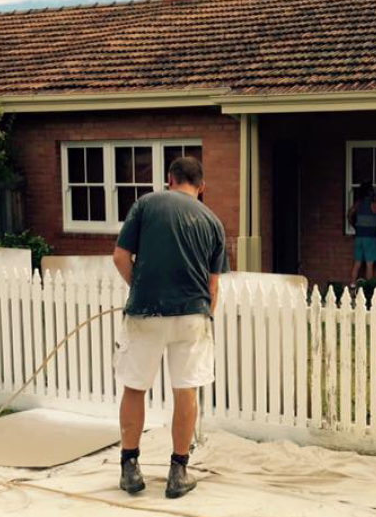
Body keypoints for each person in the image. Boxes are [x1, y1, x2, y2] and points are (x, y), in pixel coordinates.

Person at [112, 156, 228, 499]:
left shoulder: (146, 204)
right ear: (202, 187)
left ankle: (130, 468)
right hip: (192, 315)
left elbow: (120, 257)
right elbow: (213, 287)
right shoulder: (214, 222)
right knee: (186, 390)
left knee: (135, 386)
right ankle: (179, 471)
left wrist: (141, 289)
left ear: (170, 179)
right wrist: (205, 316)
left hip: (145, 313)